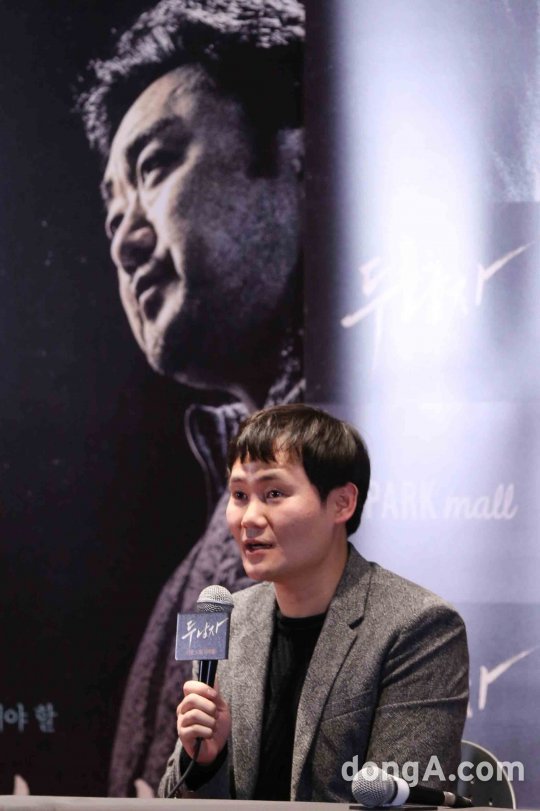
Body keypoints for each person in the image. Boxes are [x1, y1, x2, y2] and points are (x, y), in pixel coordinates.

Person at [79, 0, 305, 796]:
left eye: (153, 168)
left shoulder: (399, 464)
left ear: (304, 159)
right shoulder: (231, 510)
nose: (123, 237)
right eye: (111, 210)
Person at [159, 404, 469, 802]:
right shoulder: (227, 619)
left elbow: (400, 804)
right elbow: (169, 798)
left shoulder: (419, 627)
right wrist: (204, 762)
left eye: (274, 494)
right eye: (239, 495)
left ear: (342, 503)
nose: (249, 517)